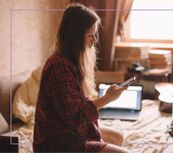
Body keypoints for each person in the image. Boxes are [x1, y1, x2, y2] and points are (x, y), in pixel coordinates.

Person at [33, 3, 129, 153]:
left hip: (71, 131)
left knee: (118, 137)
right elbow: (74, 116)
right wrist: (107, 98)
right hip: (59, 143)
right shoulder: (59, 67)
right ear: (75, 36)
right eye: (90, 35)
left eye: (95, 34)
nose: (95, 40)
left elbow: (78, 105)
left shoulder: (71, 61)